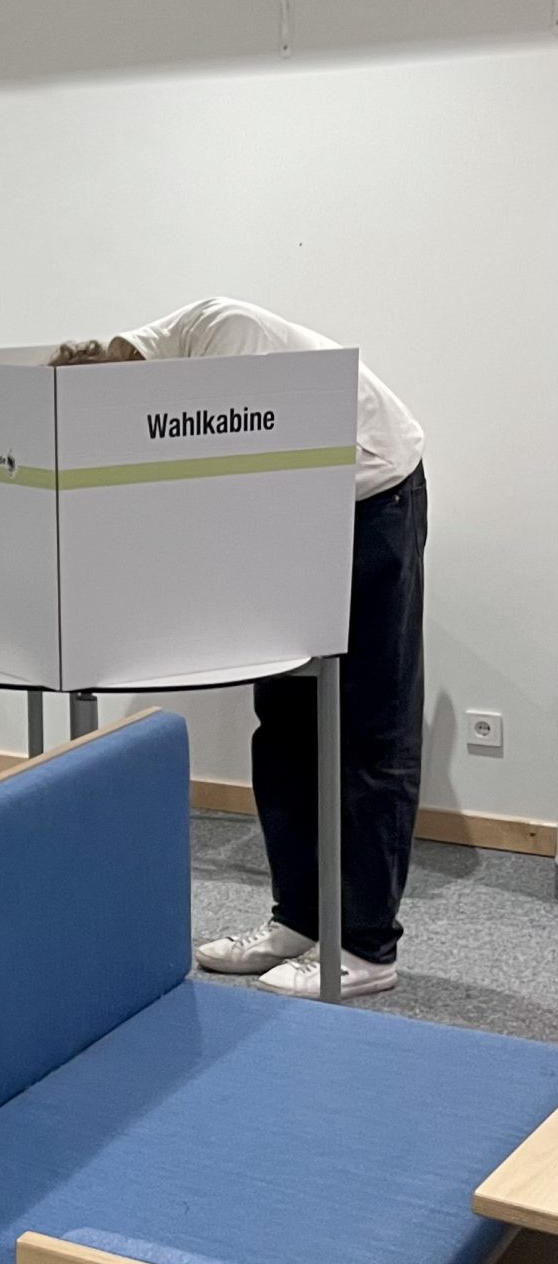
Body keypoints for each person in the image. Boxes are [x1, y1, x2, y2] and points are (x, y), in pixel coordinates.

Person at [111, 297, 427, 999]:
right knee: (283, 723)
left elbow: (234, 474)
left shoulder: (222, 334)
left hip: (370, 496)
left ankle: (366, 946)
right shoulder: (156, 369)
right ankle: (300, 920)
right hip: (294, 510)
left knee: (372, 728)